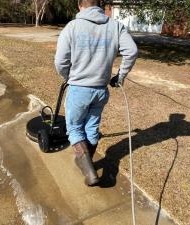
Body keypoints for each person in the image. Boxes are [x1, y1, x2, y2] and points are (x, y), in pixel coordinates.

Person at [55, 0, 138, 186]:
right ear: (100, 5)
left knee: (74, 128)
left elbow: (60, 61)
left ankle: (89, 171)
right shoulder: (116, 26)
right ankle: (89, 163)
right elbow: (131, 51)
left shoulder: (72, 27)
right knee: (91, 128)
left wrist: (67, 77)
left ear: (79, 4)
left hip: (79, 90)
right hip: (101, 91)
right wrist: (120, 76)